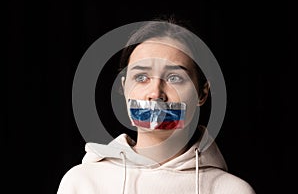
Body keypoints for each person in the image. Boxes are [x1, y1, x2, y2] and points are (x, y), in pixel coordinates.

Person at [57, 16, 256, 194]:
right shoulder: (82, 183)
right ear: (124, 88)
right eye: (142, 77)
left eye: (174, 77)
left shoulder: (232, 190)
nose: (155, 94)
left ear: (202, 93)